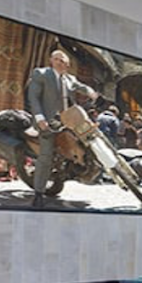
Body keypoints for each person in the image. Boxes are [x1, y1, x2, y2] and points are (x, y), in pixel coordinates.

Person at [25, 49, 94, 207]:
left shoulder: (69, 79)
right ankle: (39, 193)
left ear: (68, 65)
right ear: (51, 60)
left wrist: (91, 93)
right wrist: (40, 118)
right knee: (46, 156)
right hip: (47, 121)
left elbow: (81, 87)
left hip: (66, 120)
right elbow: (33, 97)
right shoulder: (41, 74)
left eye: (64, 61)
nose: (60, 63)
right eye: (57, 59)